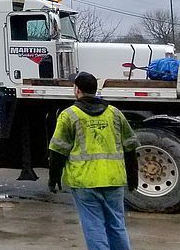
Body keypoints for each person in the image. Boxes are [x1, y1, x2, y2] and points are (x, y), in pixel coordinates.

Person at [48, 72, 140, 250]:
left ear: (77, 90)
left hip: (84, 181)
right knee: (117, 225)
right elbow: (130, 147)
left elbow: (57, 151)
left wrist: (54, 179)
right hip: (114, 179)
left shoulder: (69, 115)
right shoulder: (115, 114)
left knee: (93, 226)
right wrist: (133, 178)